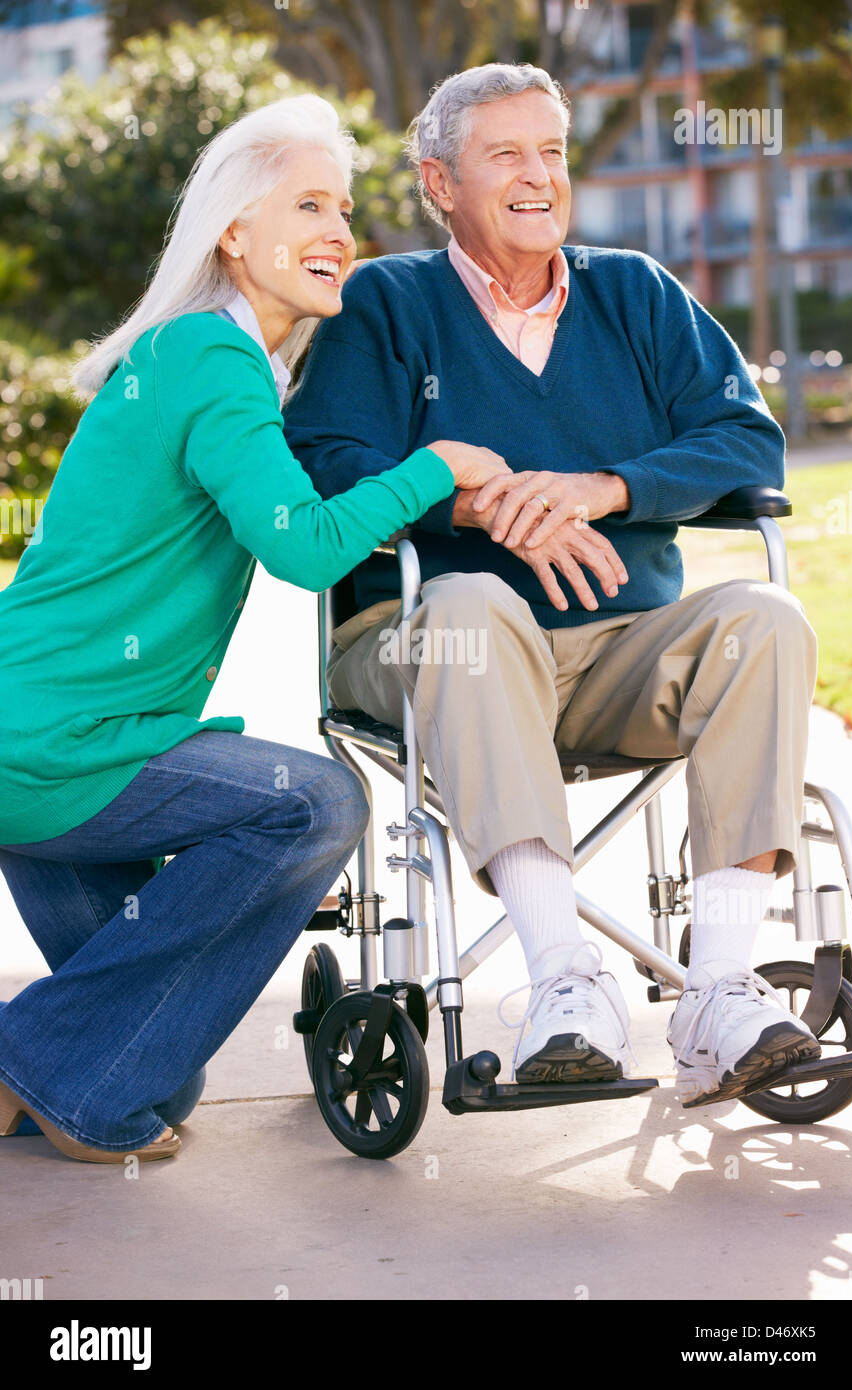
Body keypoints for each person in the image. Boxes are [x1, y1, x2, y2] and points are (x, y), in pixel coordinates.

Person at [282, 63, 823, 1106]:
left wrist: (602, 488)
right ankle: (563, 981)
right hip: (427, 642)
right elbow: (327, 464)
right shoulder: (382, 305)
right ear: (439, 183)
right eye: (505, 156)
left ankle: (715, 991)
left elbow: (744, 443)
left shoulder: (633, 292)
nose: (538, 177)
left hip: (612, 647)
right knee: (473, 606)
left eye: (551, 152)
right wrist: (473, 502)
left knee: (763, 616)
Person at [0, 94, 508, 1164]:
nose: (340, 232)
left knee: (148, 1067)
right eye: (309, 204)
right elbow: (303, 546)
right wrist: (437, 466)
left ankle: (44, 1073)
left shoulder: (205, 359)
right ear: (235, 232)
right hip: (56, 744)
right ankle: (29, 1062)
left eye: (348, 208)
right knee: (316, 802)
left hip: (45, 738)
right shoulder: (211, 359)